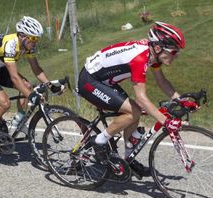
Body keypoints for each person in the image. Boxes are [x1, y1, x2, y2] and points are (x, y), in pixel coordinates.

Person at [77, 21, 197, 177]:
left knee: (136, 112)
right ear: (159, 48)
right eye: (174, 52)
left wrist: (180, 99)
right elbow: (141, 97)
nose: (176, 56)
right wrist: (166, 121)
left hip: (104, 81)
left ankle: (128, 160)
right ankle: (99, 141)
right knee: (134, 110)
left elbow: (161, 81)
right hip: (90, 81)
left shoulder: (153, 55)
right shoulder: (140, 59)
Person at [0, 16, 64, 151]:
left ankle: (18, 123)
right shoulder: (10, 44)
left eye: (37, 39)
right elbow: (14, 77)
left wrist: (50, 85)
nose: (35, 42)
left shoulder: (28, 46)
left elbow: (36, 68)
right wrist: (32, 95)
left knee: (27, 86)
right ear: (22, 35)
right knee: (5, 103)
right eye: (33, 39)